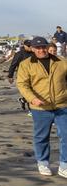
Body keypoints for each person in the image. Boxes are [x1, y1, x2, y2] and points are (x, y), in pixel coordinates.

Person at [15, 36, 67, 178]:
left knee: (66, 135)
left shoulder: (61, 61)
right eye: (38, 48)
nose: (41, 50)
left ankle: (64, 165)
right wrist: (32, 99)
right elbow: (22, 84)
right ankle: (43, 162)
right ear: (32, 49)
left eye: (43, 47)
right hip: (40, 108)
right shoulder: (26, 64)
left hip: (62, 106)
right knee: (41, 137)